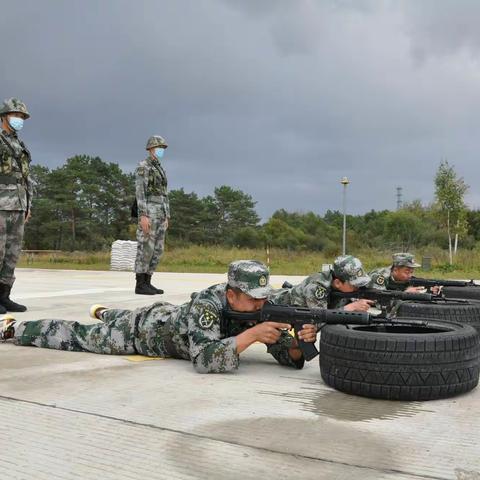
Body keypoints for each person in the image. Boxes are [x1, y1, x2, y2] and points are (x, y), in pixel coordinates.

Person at [1, 260, 317, 374]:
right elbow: (204, 360)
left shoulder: (258, 307)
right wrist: (252, 335)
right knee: (78, 336)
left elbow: (286, 354)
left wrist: (297, 346)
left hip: (168, 315)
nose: (260, 304)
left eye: (264, 298)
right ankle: (16, 329)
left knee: (118, 315)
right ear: (231, 294)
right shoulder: (209, 303)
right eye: (252, 299)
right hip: (144, 334)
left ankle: (105, 312)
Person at [0, 98, 33, 313]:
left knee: (12, 253)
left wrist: (28, 204)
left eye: (21, 117)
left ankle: (4, 296)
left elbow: (26, 177)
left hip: (19, 205)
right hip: (1, 204)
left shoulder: (20, 144)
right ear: (3, 117)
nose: (19, 119)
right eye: (15, 115)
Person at [270, 255, 373, 311]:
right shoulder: (317, 287)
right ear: (337, 283)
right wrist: (350, 308)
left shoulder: (343, 288)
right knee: (293, 348)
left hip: (294, 315)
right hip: (273, 306)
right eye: (354, 285)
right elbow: (318, 319)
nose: (358, 288)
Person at [134, 135, 170, 295]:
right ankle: (140, 284)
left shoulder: (160, 168)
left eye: (163, 148)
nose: (161, 150)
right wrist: (143, 215)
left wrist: (167, 215)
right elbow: (140, 192)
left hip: (160, 213)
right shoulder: (144, 166)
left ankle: (148, 281)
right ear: (150, 149)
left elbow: (164, 193)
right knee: (146, 248)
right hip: (149, 212)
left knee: (157, 250)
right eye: (159, 147)